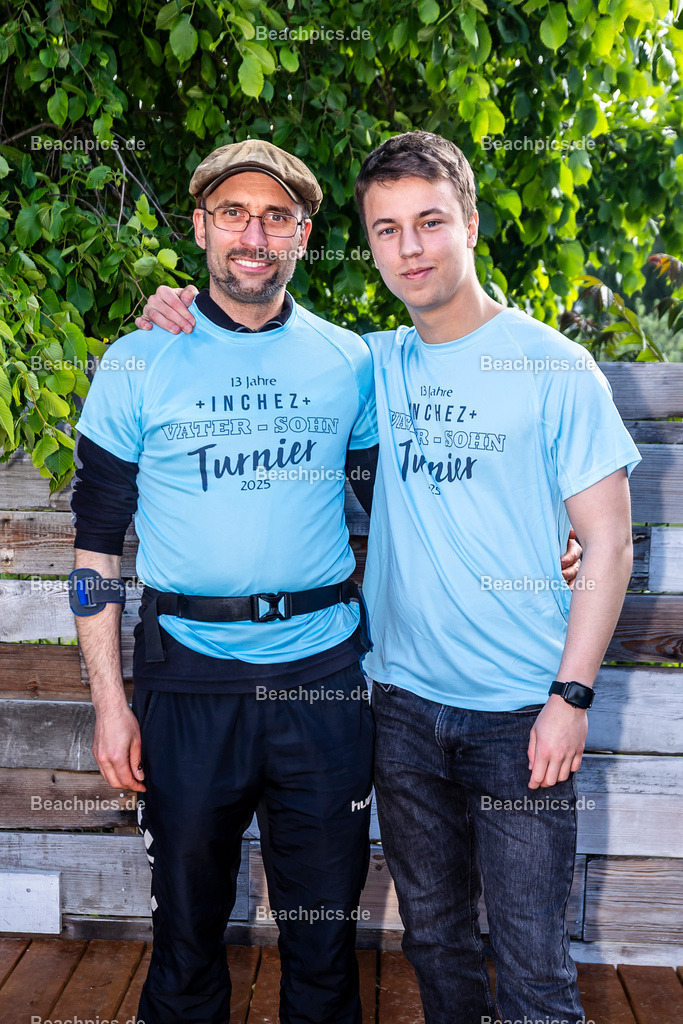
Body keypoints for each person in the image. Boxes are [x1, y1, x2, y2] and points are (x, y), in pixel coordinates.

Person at [139, 131, 639, 1024]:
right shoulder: (368, 363)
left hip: (521, 712)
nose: (409, 248)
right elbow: (261, 335)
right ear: (367, 244)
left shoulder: (555, 367)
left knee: (531, 968)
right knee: (435, 944)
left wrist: (570, 694)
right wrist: (171, 309)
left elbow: (607, 545)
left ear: (471, 224)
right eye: (386, 230)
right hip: (399, 706)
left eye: (429, 222)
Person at [70, 140, 379, 1024]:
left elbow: (396, 514)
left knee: (323, 943)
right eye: (235, 213)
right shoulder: (139, 361)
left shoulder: (348, 360)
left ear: (303, 236)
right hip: (188, 680)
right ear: (201, 227)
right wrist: (109, 703)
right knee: (187, 936)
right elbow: (95, 547)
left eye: (276, 216)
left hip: (321, 684)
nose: (256, 232)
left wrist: (552, 541)